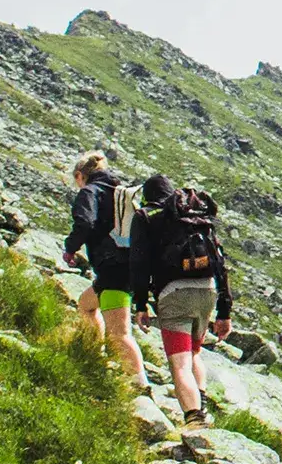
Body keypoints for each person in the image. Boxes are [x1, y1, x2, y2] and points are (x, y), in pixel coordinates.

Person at [130, 172, 231, 429]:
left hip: (174, 296)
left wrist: (141, 304)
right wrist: (224, 312)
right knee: (194, 351)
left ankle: (195, 419)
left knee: (180, 362)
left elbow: (139, 263)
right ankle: (202, 400)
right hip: (207, 290)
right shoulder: (195, 217)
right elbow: (220, 262)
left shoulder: (145, 218)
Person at [60, 151, 143, 382]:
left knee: (120, 333)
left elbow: (85, 222)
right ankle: (94, 354)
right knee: (86, 305)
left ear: (80, 175)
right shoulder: (119, 193)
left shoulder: (89, 192)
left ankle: (140, 384)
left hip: (113, 268)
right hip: (128, 266)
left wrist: (70, 248)